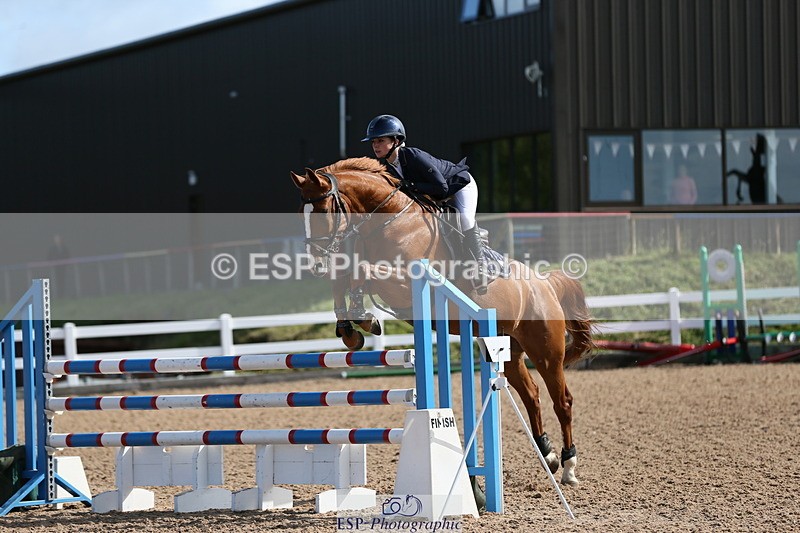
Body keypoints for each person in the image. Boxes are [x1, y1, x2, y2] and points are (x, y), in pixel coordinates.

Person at [361, 114, 487, 289]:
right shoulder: (388, 168)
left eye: (380, 140)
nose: (375, 146)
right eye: (373, 142)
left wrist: (411, 184)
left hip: (459, 186)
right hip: (435, 194)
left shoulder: (412, 156)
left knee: (465, 219)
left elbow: (441, 188)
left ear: (396, 141)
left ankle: (479, 267)